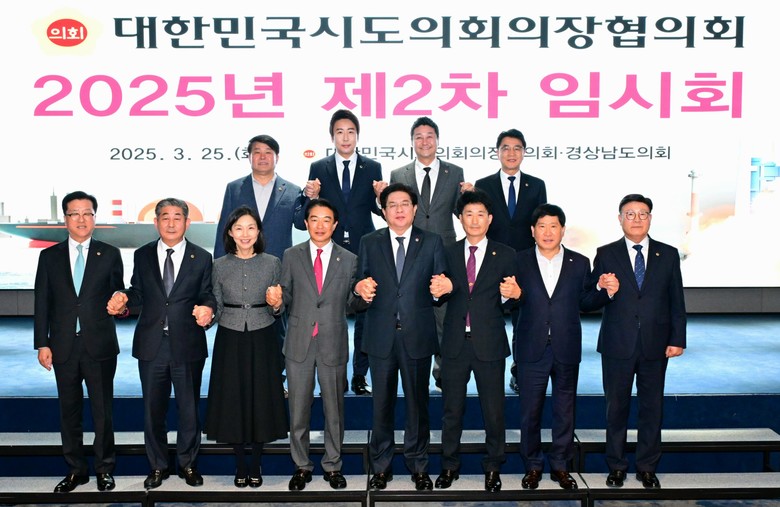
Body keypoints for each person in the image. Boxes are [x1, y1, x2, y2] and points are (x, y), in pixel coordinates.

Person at [107, 198, 216, 489]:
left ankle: (188, 464)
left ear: (187, 222)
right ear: (155, 222)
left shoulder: (201, 257)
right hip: (152, 344)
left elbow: (207, 295)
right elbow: (138, 293)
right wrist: (124, 298)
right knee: (152, 410)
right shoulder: (142, 255)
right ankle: (157, 466)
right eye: (165, 217)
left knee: (189, 410)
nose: (171, 223)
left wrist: (209, 309)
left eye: (177, 217)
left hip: (188, 344)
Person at [353, 182, 450, 491]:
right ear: (383, 211)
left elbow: (442, 285)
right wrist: (358, 288)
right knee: (381, 406)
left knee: (417, 406)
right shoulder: (369, 242)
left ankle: (418, 466)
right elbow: (359, 283)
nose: (398, 209)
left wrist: (442, 289)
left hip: (417, 335)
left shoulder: (432, 241)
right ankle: (381, 468)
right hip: (380, 336)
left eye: (404, 203)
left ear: (415, 208)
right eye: (392, 204)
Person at [514, 204, 618, 490]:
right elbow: (510, 300)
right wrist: (511, 295)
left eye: (554, 226)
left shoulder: (580, 262)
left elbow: (585, 302)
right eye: (542, 226)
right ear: (532, 231)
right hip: (531, 347)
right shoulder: (518, 260)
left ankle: (560, 465)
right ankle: (532, 465)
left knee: (565, 410)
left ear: (562, 230)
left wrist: (603, 291)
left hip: (566, 346)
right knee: (530, 412)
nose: (548, 232)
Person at [270, 198, 367, 491]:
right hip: (298, 343)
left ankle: (333, 465)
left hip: (332, 342)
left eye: (327, 220)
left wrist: (361, 295)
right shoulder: (291, 255)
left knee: (334, 411)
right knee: (298, 410)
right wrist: (276, 302)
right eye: (314, 219)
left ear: (335, 225)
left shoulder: (348, 259)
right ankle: (301, 466)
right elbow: (286, 295)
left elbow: (351, 304)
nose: (320, 225)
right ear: (306, 223)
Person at [592, 193, 686, 489]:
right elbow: (590, 299)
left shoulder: (668, 254)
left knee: (652, 408)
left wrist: (677, 338)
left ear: (650, 218)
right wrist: (601, 288)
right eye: (630, 214)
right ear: (620, 219)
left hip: (655, 344)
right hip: (617, 343)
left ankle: (647, 467)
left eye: (642, 214)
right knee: (615, 409)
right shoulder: (606, 253)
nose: (636, 219)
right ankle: (616, 466)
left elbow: (676, 300)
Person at [34, 191, 124, 493]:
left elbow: (119, 295)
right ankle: (76, 470)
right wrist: (42, 343)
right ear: (65, 219)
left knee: (103, 412)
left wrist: (121, 303)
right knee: (69, 412)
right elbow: (42, 303)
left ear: (95, 218)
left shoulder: (110, 254)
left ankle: (104, 469)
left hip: (99, 345)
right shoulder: (49, 257)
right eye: (75, 213)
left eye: (88, 213)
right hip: (62, 346)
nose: (82, 219)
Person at [436, 189, 521, 493]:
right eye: (468, 214)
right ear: (460, 219)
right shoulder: (447, 252)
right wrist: (439, 290)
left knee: (494, 411)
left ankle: (494, 466)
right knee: (451, 410)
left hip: (490, 342)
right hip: (455, 343)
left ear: (490, 219)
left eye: (480, 214)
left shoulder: (506, 254)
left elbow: (512, 300)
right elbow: (435, 294)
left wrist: (514, 295)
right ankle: (449, 465)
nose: (474, 220)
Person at [297, 109, 384, 396]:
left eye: (350, 132)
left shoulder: (372, 167)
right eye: (339, 132)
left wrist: (382, 198)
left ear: (358, 136)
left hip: (363, 247)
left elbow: (378, 211)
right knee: (329, 313)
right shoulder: (318, 168)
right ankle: (331, 374)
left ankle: (359, 375)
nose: (345, 138)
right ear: (332, 136)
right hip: (329, 249)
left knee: (364, 313)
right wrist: (309, 196)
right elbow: (309, 213)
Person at [203, 205, 288, 488]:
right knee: (232, 401)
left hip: (263, 336)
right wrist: (206, 317)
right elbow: (215, 305)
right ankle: (240, 464)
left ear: (259, 231)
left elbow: (279, 307)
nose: (245, 233)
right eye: (239, 228)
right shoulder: (218, 265)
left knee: (261, 399)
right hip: (230, 337)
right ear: (230, 232)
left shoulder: (273, 263)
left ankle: (256, 463)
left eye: (251, 227)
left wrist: (277, 304)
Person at [390, 116, 473, 389]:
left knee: (444, 315)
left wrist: (469, 196)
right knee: (412, 312)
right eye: (419, 137)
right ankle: (415, 372)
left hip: (444, 251)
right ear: (412, 142)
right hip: (409, 253)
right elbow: (395, 213)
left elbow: (460, 212)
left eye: (429, 136)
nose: (424, 141)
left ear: (437, 140)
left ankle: (443, 371)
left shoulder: (455, 172)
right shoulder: (398, 174)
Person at [475, 128, 547, 394]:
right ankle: (487, 370)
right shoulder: (484, 184)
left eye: (517, 148)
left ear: (524, 152)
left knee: (523, 320)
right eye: (506, 148)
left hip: (525, 263)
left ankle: (519, 371)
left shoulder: (536, 185)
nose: (511, 153)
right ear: (497, 152)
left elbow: (541, 223)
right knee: (488, 317)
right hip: (491, 261)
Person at [213, 134, 306, 260]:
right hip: (241, 262)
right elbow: (223, 229)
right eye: (257, 152)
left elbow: (301, 224)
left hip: (279, 262)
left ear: (277, 158)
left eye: (268, 152)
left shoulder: (292, 190)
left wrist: (310, 198)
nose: (262, 157)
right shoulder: (234, 188)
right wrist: (219, 263)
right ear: (249, 157)